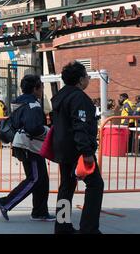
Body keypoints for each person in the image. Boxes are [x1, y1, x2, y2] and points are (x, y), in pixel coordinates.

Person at [51, 61, 104, 234]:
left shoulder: (60, 96)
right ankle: (89, 229)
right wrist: (87, 152)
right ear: (81, 80)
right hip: (77, 151)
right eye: (87, 76)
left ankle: (62, 226)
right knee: (95, 185)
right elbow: (79, 126)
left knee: (66, 186)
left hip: (62, 150)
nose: (88, 79)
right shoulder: (78, 97)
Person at [0, 75, 54, 222]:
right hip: (30, 146)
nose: (42, 90)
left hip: (23, 145)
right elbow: (33, 128)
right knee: (35, 178)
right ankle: (6, 203)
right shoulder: (32, 105)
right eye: (41, 86)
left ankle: (40, 211)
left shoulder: (19, 102)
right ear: (36, 88)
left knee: (42, 179)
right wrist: (47, 131)